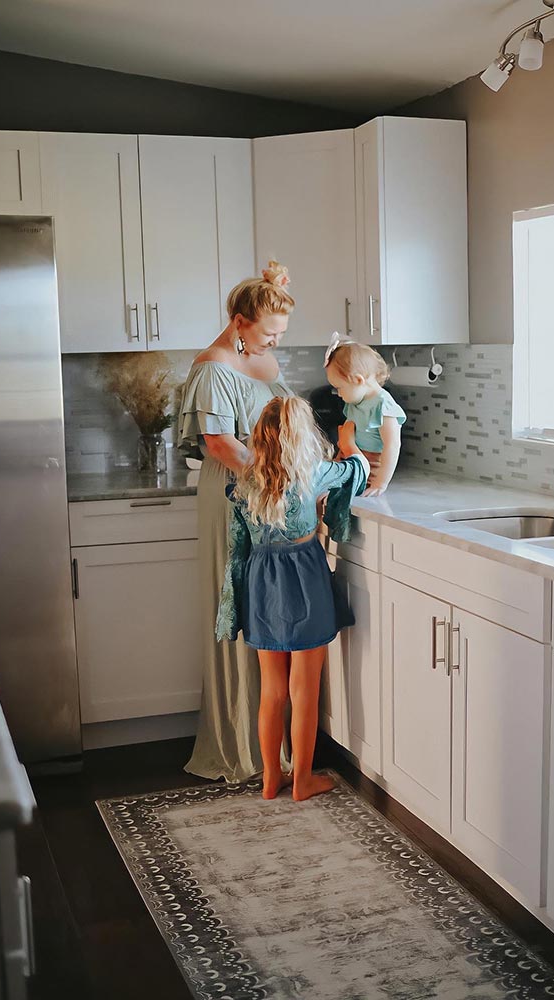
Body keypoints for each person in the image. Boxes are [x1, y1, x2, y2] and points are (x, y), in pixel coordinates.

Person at [217, 396, 369, 801]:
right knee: (305, 689)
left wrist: (232, 606)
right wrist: (349, 443)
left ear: (259, 438)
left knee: (273, 690)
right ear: (303, 437)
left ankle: (271, 778)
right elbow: (358, 470)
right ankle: (302, 780)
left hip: (261, 586)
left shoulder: (244, 483)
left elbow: (237, 549)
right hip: (305, 580)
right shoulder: (314, 473)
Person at [177, 261, 294, 782]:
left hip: (270, 495)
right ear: (238, 322)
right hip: (235, 498)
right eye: (268, 332)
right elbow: (221, 445)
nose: (275, 341)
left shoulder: (257, 355)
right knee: (239, 601)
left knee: (268, 611)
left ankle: (273, 742)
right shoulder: (213, 367)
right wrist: (275, 479)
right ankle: (241, 744)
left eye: (280, 333)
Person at [323, 336, 406, 496]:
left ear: (358, 380)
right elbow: (348, 437)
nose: (338, 394)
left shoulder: (383, 406)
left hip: (373, 465)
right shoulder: (355, 402)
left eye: (339, 387)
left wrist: (380, 482)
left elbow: (392, 446)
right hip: (353, 458)